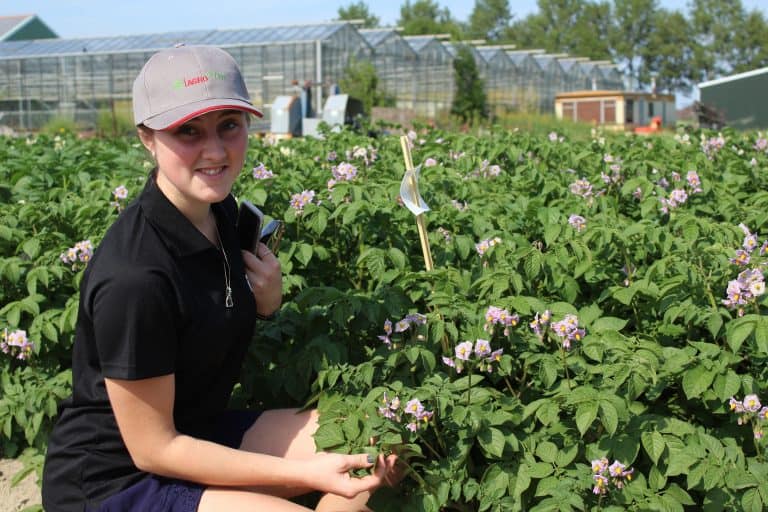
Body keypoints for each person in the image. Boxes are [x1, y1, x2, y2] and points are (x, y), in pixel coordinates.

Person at [41, 45, 397, 512]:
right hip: (117, 480)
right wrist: (303, 474)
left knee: (378, 445)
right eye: (187, 131)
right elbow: (154, 449)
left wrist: (267, 303)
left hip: (197, 431)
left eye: (228, 125)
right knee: (338, 469)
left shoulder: (220, 212)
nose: (214, 150)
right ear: (147, 137)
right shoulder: (135, 278)